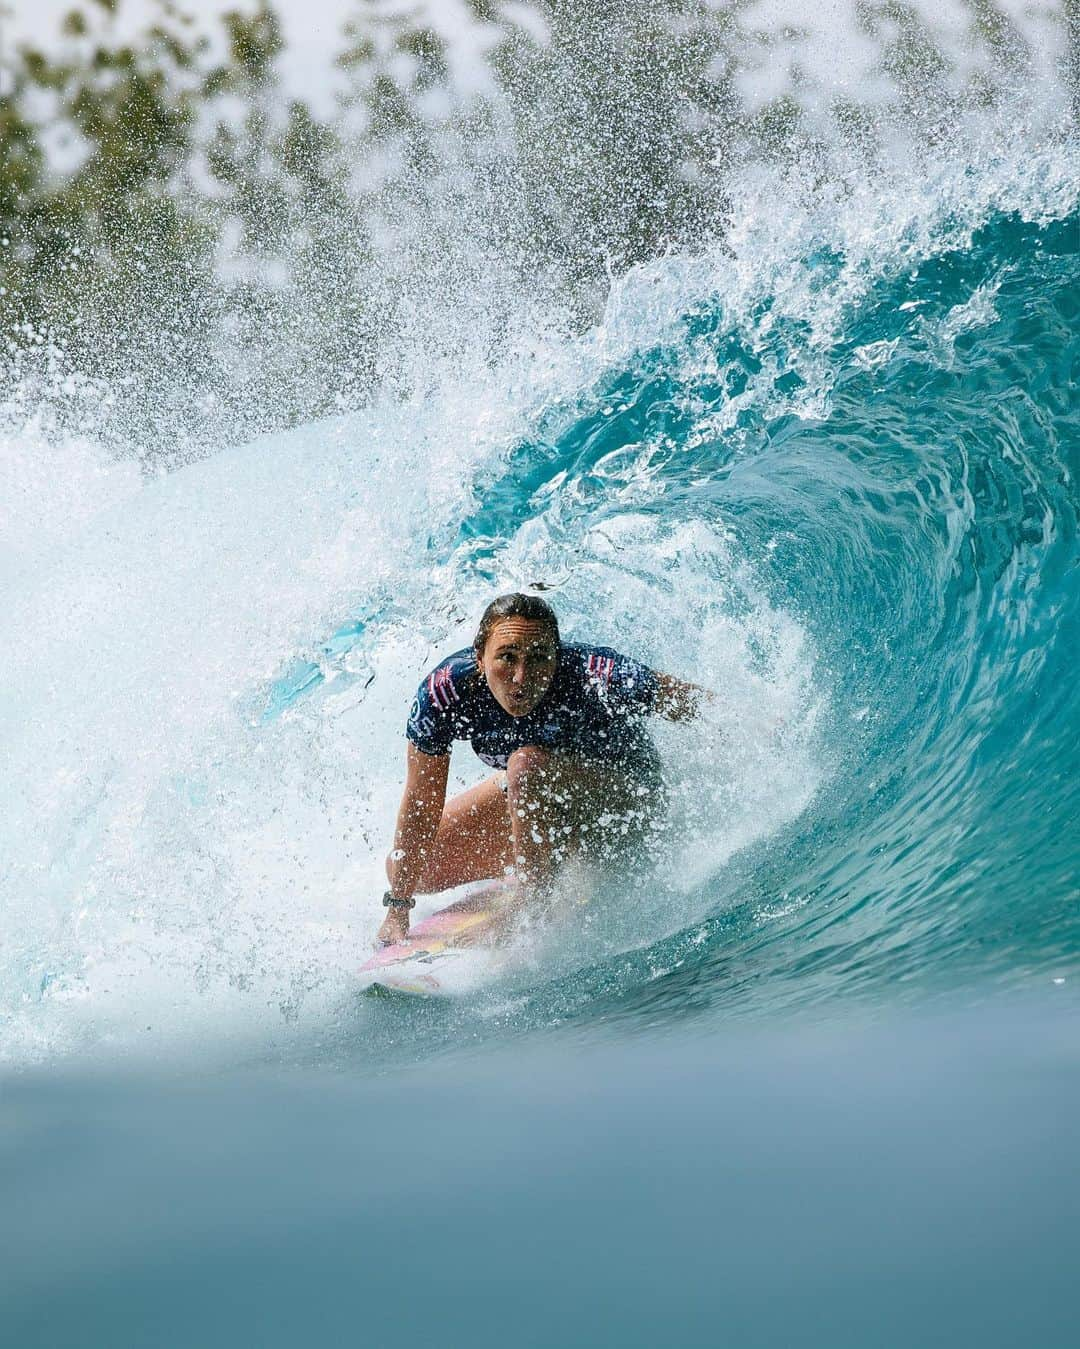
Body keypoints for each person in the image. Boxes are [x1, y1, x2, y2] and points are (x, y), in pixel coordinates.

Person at [376, 592, 708, 947]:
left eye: (538, 658)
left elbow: (691, 703)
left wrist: (764, 724)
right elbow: (421, 803)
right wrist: (398, 908)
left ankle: (532, 903)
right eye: (507, 657)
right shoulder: (446, 692)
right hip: (539, 799)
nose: (522, 677)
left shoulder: (593, 670)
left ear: (557, 656)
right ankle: (545, 860)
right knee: (414, 870)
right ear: (479, 658)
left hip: (623, 804)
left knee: (525, 766)